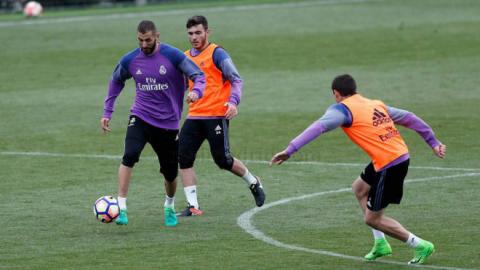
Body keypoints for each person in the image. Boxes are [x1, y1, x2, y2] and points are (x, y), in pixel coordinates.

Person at [270, 74, 446, 265]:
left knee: (373, 219)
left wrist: (290, 150)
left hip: (390, 163)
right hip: (391, 157)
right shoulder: (374, 104)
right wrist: (433, 142)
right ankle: (381, 244)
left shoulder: (343, 110)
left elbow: (319, 127)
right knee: (359, 188)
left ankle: (420, 244)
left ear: (336, 93)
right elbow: (409, 118)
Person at [100, 20, 206, 227]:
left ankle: (169, 205)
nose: (143, 44)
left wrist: (196, 91)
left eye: (147, 40)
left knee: (169, 172)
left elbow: (198, 75)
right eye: (140, 40)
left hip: (168, 124)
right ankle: (121, 207)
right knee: (129, 155)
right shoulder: (131, 59)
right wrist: (107, 111)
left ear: (157, 36)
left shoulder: (173, 56)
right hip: (140, 116)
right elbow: (116, 80)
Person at [177, 15, 265, 216]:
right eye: (190, 33)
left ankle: (253, 182)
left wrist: (233, 102)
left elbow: (236, 79)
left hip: (216, 115)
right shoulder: (185, 57)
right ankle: (193, 206)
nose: (194, 37)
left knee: (223, 160)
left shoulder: (217, 54)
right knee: (183, 157)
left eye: (198, 32)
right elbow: (182, 85)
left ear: (208, 32)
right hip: (195, 116)